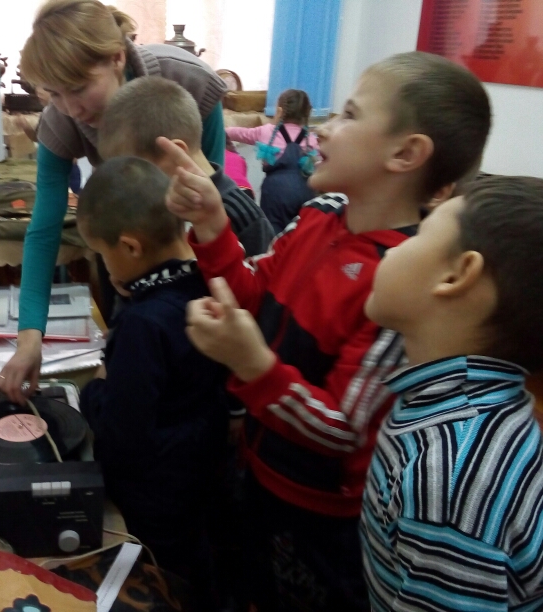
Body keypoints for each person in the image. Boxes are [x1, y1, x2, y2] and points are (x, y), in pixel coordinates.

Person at [166, 51, 491, 610]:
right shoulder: (319, 213)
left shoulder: (403, 280)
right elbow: (253, 290)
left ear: (405, 153)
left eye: (349, 114)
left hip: (319, 514)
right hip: (260, 466)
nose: (324, 128)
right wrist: (213, 223)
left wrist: (253, 366)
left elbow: (343, 428)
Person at [0, 0, 228, 405]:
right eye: (55, 94)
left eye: (79, 88)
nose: (71, 109)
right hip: (135, 254)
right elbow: (44, 231)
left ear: (117, 57)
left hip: (198, 257)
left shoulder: (188, 82)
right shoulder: (62, 121)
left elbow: (210, 202)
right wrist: (30, 340)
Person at [360, 176, 543, 610]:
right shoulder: (453, 408)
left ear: (457, 274)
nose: (393, 249)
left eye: (419, 234)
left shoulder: (450, 479)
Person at [77, 156, 230, 606]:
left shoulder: (143, 326)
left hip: (156, 506)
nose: (104, 266)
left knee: (169, 590)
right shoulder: (208, 282)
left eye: (102, 254)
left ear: (130, 247)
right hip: (204, 482)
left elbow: (123, 438)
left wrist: (94, 389)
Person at [98, 76, 273, 258]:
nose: (129, 186)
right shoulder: (159, 205)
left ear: (174, 154)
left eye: (133, 173)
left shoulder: (245, 220)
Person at [226, 89, 319, 233]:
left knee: (272, 235)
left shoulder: (266, 131)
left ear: (279, 111)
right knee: (300, 234)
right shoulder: (312, 140)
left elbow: (232, 132)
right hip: (304, 192)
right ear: (308, 113)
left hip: (274, 192)